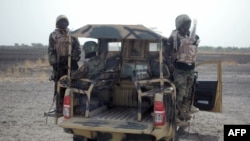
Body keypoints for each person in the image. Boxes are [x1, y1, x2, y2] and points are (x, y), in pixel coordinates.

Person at [165, 14, 200, 125]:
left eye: (189, 24)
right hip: (179, 69)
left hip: (190, 69)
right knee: (180, 93)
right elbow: (166, 53)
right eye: (186, 24)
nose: (188, 27)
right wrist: (170, 65)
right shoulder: (174, 37)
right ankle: (174, 116)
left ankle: (183, 114)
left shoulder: (192, 36)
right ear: (180, 25)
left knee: (188, 93)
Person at [48, 15, 81, 114]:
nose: (63, 24)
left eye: (65, 22)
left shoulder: (73, 34)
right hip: (59, 63)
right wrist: (54, 63)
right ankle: (59, 108)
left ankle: (75, 106)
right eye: (61, 22)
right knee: (59, 85)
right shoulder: (53, 35)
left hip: (72, 62)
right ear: (57, 23)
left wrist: (74, 59)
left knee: (74, 84)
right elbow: (50, 50)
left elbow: (77, 48)